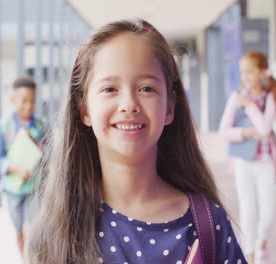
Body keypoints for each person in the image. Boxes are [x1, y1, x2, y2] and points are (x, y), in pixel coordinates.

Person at [26, 19, 246, 264]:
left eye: (146, 88)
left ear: (170, 106)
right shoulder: (55, 233)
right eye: (110, 89)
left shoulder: (207, 224)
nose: (129, 104)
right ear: (84, 109)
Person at [219, 51, 276, 264]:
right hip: (243, 161)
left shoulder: (270, 97)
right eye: (242, 72)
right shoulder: (236, 96)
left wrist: (248, 105)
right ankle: (248, 254)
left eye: (249, 71)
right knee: (247, 207)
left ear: (263, 72)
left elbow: (265, 129)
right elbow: (224, 130)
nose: (245, 76)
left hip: (265, 160)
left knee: (268, 212)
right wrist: (245, 133)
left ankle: (262, 239)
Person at [0, 76, 47, 256]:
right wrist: (15, 168)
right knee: (19, 231)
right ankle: (25, 258)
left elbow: (50, 154)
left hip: (35, 188)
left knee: (31, 230)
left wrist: (38, 146)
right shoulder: (3, 126)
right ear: (13, 100)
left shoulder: (42, 126)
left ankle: (31, 257)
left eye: (32, 101)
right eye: (24, 101)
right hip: (14, 190)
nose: (28, 106)